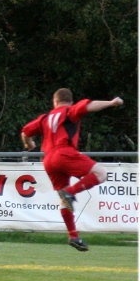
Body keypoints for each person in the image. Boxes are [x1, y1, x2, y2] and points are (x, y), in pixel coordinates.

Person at [21, 89, 123, 252]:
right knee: (101, 174)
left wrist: (30, 145)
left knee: (63, 200)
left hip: (48, 160)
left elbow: (25, 132)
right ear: (69, 101)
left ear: (55, 102)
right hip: (64, 152)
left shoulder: (45, 118)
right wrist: (111, 103)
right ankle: (71, 192)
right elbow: (89, 106)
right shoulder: (69, 111)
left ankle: (73, 235)